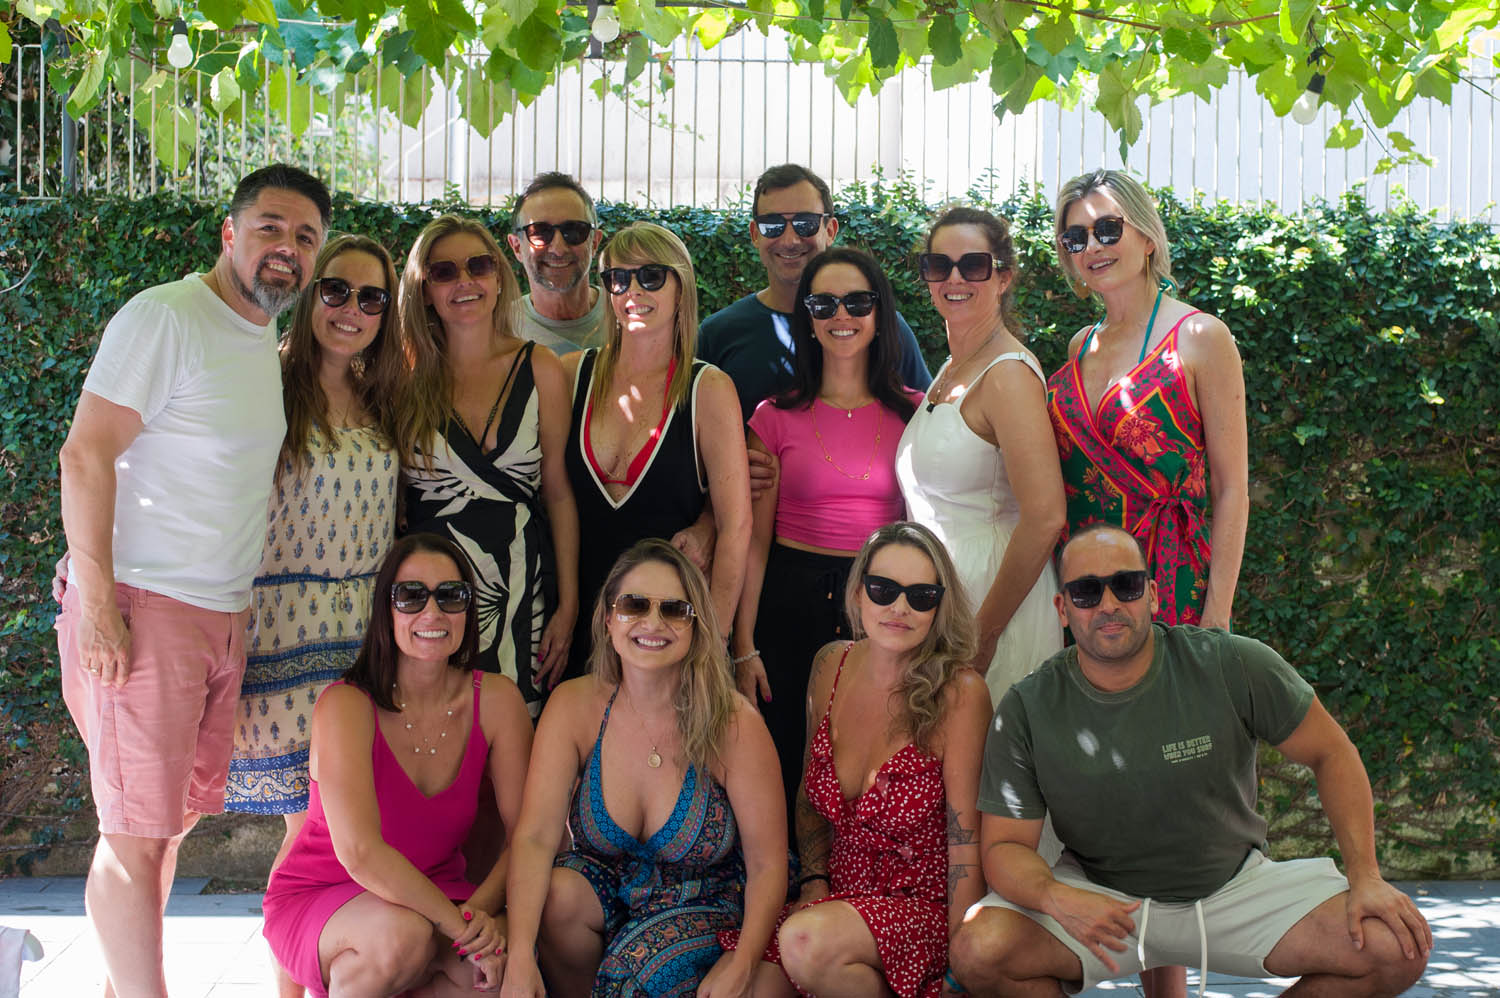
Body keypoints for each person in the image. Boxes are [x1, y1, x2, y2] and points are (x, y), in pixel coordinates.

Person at [948, 523, 1432, 997]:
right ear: (1063, 608)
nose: (1109, 604)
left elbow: (1332, 752)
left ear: (1153, 595)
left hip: (1232, 889)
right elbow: (1005, 846)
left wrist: (1366, 876)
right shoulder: (1029, 706)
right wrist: (1058, 897)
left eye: (1126, 584)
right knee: (980, 951)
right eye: (1086, 592)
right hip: (1103, 894)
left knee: (1395, 947)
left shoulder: (1228, 663)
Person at [55, 163, 329, 997]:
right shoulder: (168, 316)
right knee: (136, 838)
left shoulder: (255, 340)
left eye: (305, 236)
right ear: (229, 232)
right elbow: (85, 454)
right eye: (270, 227)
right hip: (145, 611)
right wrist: (100, 607)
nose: (286, 247)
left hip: (217, 618)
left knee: (165, 829)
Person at [223, 233, 406, 994]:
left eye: (372, 297)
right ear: (309, 295)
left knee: (341, 825)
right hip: (285, 629)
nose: (352, 309)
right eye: (336, 290)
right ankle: (291, 986)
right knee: (309, 826)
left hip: (361, 632)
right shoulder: (263, 383)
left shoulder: (383, 394)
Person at [500, 539, 786, 998]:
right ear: (608, 618)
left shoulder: (733, 721)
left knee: (636, 974)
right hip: (611, 887)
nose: (653, 623)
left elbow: (768, 863)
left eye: (674, 610)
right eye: (634, 605)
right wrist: (519, 957)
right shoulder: (574, 705)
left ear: (696, 625)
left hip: (707, 897)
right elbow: (535, 837)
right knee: (557, 897)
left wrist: (744, 960)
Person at [262, 533, 534, 998]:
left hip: (438, 895)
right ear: (386, 611)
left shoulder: (497, 700)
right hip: (328, 894)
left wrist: (477, 920)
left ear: (469, 609)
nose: (433, 612)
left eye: (451, 596)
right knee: (401, 938)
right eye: (411, 596)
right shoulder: (345, 705)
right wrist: (460, 929)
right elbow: (361, 853)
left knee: (498, 970)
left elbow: (527, 834)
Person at [728, 522, 992, 998]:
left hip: (921, 908)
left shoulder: (960, 693)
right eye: (883, 589)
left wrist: (960, 966)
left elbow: (965, 843)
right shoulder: (831, 663)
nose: (899, 607)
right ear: (858, 592)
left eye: (921, 596)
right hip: (837, 899)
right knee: (746, 987)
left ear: (940, 606)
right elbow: (809, 795)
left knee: (804, 943)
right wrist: (814, 878)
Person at [731, 247, 923, 827]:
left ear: (880, 314)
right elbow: (754, 541)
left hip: (882, 598)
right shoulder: (773, 417)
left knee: (872, 757)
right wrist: (744, 643)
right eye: (824, 304)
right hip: (790, 599)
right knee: (788, 750)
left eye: (858, 302)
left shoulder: (916, 413)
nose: (842, 315)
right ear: (808, 319)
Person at [1047, 168, 1249, 630]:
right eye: (1076, 237)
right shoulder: (1081, 346)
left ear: (1147, 237)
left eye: (1108, 229)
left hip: (1170, 584)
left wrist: (1216, 618)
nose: (1092, 246)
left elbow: (1231, 488)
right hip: (1085, 592)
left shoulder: (1199, 337)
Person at [399, 214, 580, 712]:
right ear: (425, 290)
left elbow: (559, 494)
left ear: (499, 277)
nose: (465, 281)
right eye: (444, 272)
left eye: (478, 266)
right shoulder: (402, 379)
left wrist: (568, 606)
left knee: (519, 737)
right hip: (428, 604)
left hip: (523, 593)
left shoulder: (540, 367)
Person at [561, 221, 751, 680]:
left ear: (680, 288)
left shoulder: (708, 389)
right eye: (618, 278)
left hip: (666, 633)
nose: (633, 290)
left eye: (651, 276)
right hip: (576, 626)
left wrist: (711, 646)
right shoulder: (569, 376)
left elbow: (736, 526)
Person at [895, 206, 1065, 709]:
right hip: (942, 604)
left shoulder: (1008, 375)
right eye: (938, 265)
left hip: (992, 608)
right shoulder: (952, 368)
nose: (954, 279)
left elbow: (1045, 516)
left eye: (973, 265)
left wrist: (982, 637)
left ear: (1003, 277)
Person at [699, 163, 932, 422]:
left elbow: (926, 425)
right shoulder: (717, 336)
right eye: (772, 225)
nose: (790, 240)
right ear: (755, 234)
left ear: (830, 230)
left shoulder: (881, 327)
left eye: (805, 223)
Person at [508, 172, 608, 355]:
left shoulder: (626, 317)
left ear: (594, 243)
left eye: (574, 231)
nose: (558, 249)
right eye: (540, 232)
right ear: (516, 247)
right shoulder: (500, 329)